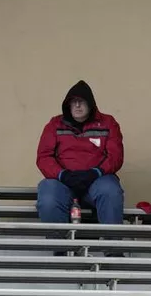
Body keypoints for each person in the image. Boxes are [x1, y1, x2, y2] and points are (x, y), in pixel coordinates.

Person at [36, 80, 125, 224]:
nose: (77, 105)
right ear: (68, 105)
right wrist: (62, 174)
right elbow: (44, 157)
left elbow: (115, 156)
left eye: (82, 101)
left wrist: (96, 172)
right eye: (74, 101)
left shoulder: (108, 123)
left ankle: (111, 245)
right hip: (62, 182)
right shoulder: (54, 124)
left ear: (91, 104)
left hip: (98, 180)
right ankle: (58, 245)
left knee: (110, 191)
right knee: (48, 195)